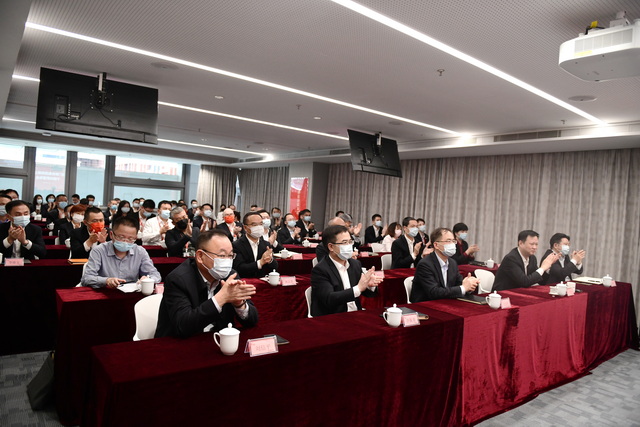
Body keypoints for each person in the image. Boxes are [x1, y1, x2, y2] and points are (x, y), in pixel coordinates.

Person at [155, 229, 258, 338]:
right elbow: (183, 326)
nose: (227, 261)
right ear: (200, 256)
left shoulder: (230, 275)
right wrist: (221, 298)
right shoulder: (178, 280)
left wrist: (239, 304)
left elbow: (252, 321)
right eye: (222, 256)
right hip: (180, 343)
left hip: (217, 341)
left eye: (230, 255)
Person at [310, 225, 382, 316]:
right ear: (331, 247)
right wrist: (358, 288)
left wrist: (369, 285)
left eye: (350, 242)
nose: (349, 246)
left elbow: (368, 294)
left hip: (355, 313)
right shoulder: (320, 270)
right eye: (344, 242)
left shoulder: (355, 264)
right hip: (333, 317)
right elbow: (329, 299)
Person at [81, 215, 161, 288]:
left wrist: (148, 279)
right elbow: (87, 278)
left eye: (130, 239)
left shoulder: (140, 252)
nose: (125, 241)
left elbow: (156, 275)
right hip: (105, 293)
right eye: (121, 237)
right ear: (111, 235)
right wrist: (106, 280)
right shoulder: (99, 251)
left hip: (130, 294)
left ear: (135, 238)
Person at [410, 227, 480, 302]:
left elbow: (458, 285)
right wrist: (463, 288)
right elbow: (434, 292)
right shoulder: (425, 264)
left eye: (453, 241)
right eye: (448, 241)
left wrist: (469, 285)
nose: (452, 244)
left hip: (446, 302)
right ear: (436, 245)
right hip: (425, 304)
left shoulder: (452, 263)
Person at [492, 230, 560, 291]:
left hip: (520, 293)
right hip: (503, 295)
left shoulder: (532, 258)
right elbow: (524, 282)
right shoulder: (511, 258)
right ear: (521, 243)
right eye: (532, 244)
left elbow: (542, 281)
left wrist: (547, 267)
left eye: (536, 244)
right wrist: (542, 268)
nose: (535, 247)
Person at [232, 212, 278, 278]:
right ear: (245, 228)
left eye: (261, 224)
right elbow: (239, 268)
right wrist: (260, 263)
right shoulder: (237, 245)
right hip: (245, 281)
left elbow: (274, 267)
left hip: (262, 281)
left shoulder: (266, 244)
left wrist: (270, 260)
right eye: (254, 225)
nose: (258, 227)